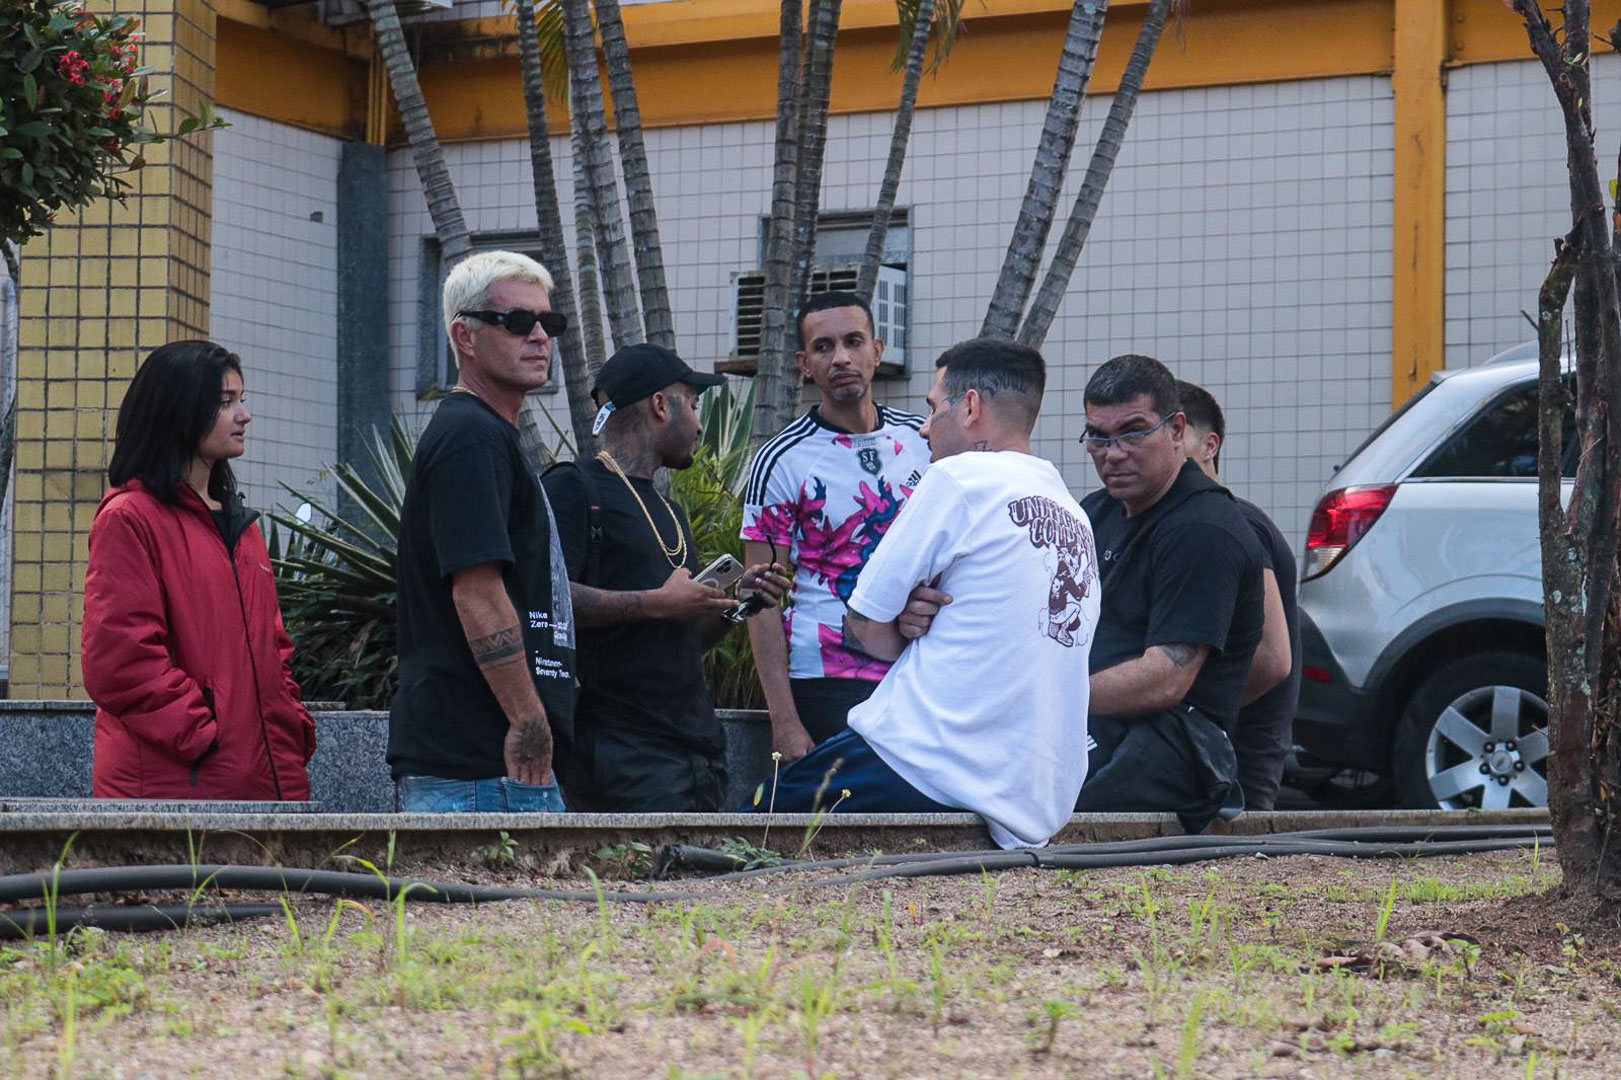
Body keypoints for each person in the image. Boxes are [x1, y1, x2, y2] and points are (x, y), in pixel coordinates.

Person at [749, 339, 1098, 850]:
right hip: (1035, 794)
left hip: (926, 759)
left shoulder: (957, 477)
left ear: (971, 407)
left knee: (754, 818)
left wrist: (902, 626)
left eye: (935, 409)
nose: (924, 428)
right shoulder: (1074, 513)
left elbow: (863, 624)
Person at [542, 343, 790, 812]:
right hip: (622, 752)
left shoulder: (669, 511)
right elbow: (547, 601)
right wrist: (660, 602)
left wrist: (738, 605)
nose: (699, 425)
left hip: (697, 751)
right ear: (660, 404)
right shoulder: (572, 486)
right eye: (693, 406)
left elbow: (681, 640)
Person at [83, 340, 314, 800]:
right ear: (179, 410)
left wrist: (290, 726)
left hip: (262, 776)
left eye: (241, 399)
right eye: (226, 402)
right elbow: (121, 661)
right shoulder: (129, 519)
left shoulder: (240, 525)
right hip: (174, 786)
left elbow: (274, 648)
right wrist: (205, 736)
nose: (244, 415)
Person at [388, 251, 575, 813]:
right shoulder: (470, 437)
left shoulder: (486, 433)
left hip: (487, 765)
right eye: (517, 321)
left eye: (548, 322)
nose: (539, 337)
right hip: (481, 766)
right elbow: (477, 592)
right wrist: (528, 720)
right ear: (464, 337)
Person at [1075, 355, 1270, 831]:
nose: (1113, 453)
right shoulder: (1094, 512)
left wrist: (1046, 699)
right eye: (1098, 437)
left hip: (1175, 744)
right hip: (1093, 723)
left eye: (1133, 432)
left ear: (1177, 429)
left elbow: (1164, 680)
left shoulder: (1205, 528)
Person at [741, 291, 932, 761]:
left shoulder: (925, 441)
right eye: (823, 347)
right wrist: (785, 721)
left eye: (854, 341)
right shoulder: (781, 459)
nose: (841, 357)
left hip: (921, 667)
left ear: (877, 351)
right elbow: (761, 600)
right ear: (804, 364)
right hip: (826, 675)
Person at [1176, 380, 1300, 810]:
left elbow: (1273, 659)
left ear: (1209, 446)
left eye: (1176, 434)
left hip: (1234, 762)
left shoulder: (1232, 524)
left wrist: (1186, 720)